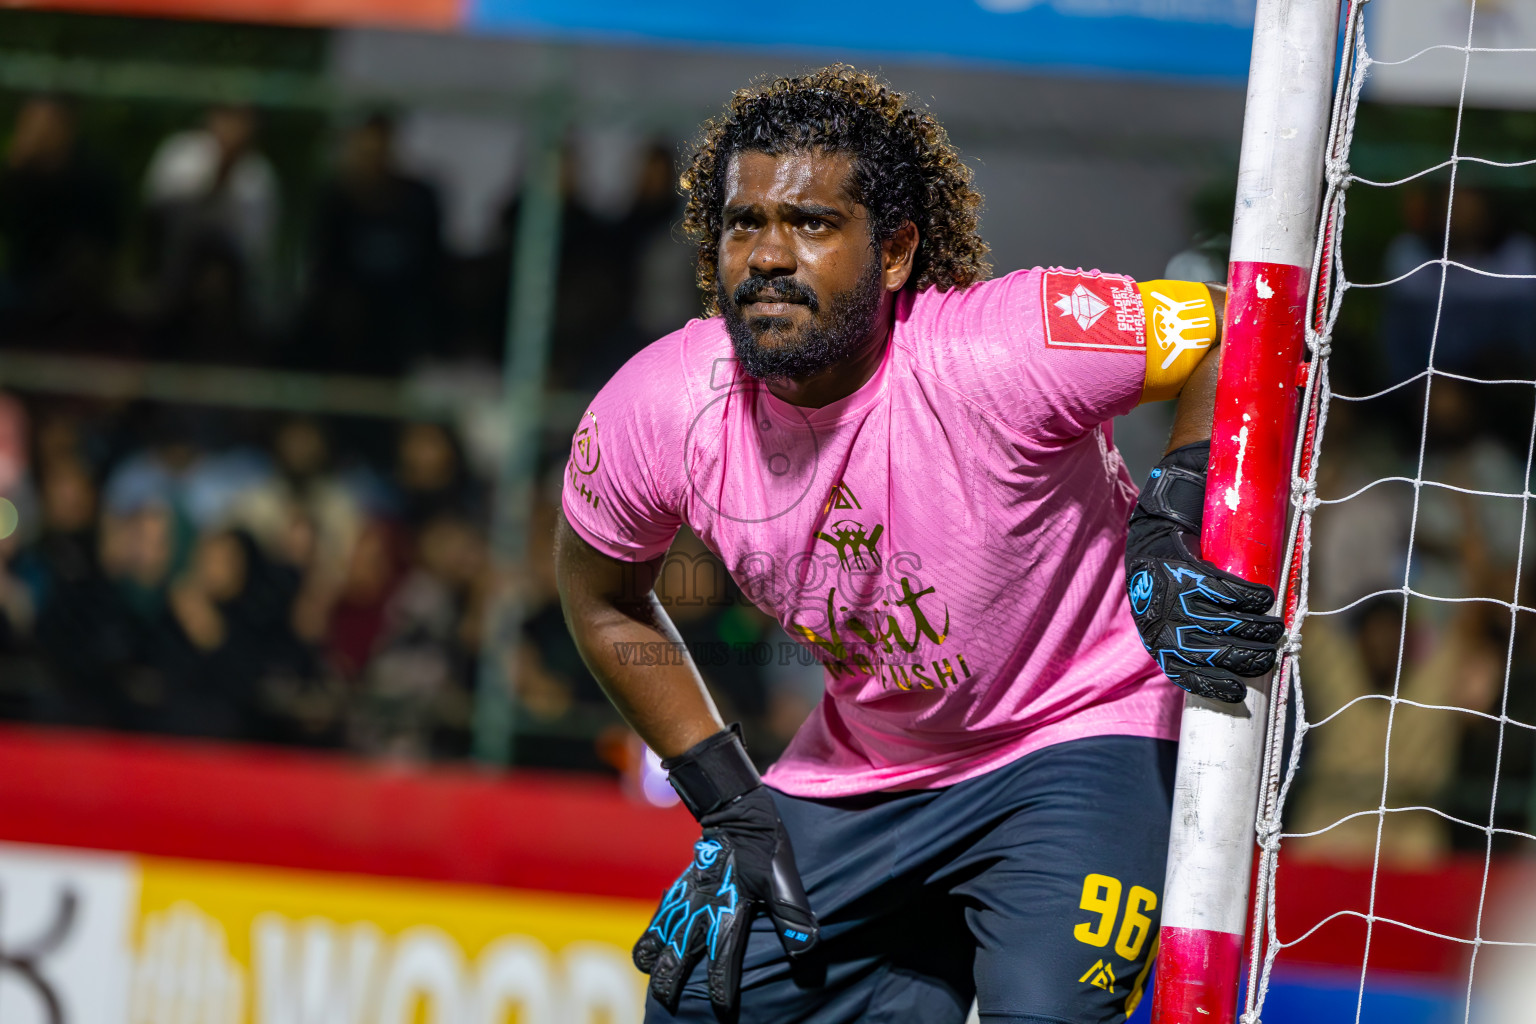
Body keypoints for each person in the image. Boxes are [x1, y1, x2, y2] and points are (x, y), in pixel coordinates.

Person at [553, 67, 1282, 1024]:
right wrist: (726, 796)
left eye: (811, 223)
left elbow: (1233, 327)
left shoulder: (1000, 349)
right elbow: (600, 594)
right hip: (873, 762)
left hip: (1080, 730)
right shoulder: (662, 407)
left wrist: (1169, 516)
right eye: (744, 224)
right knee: (702, 1002)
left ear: (894, 251)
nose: (769, 254)